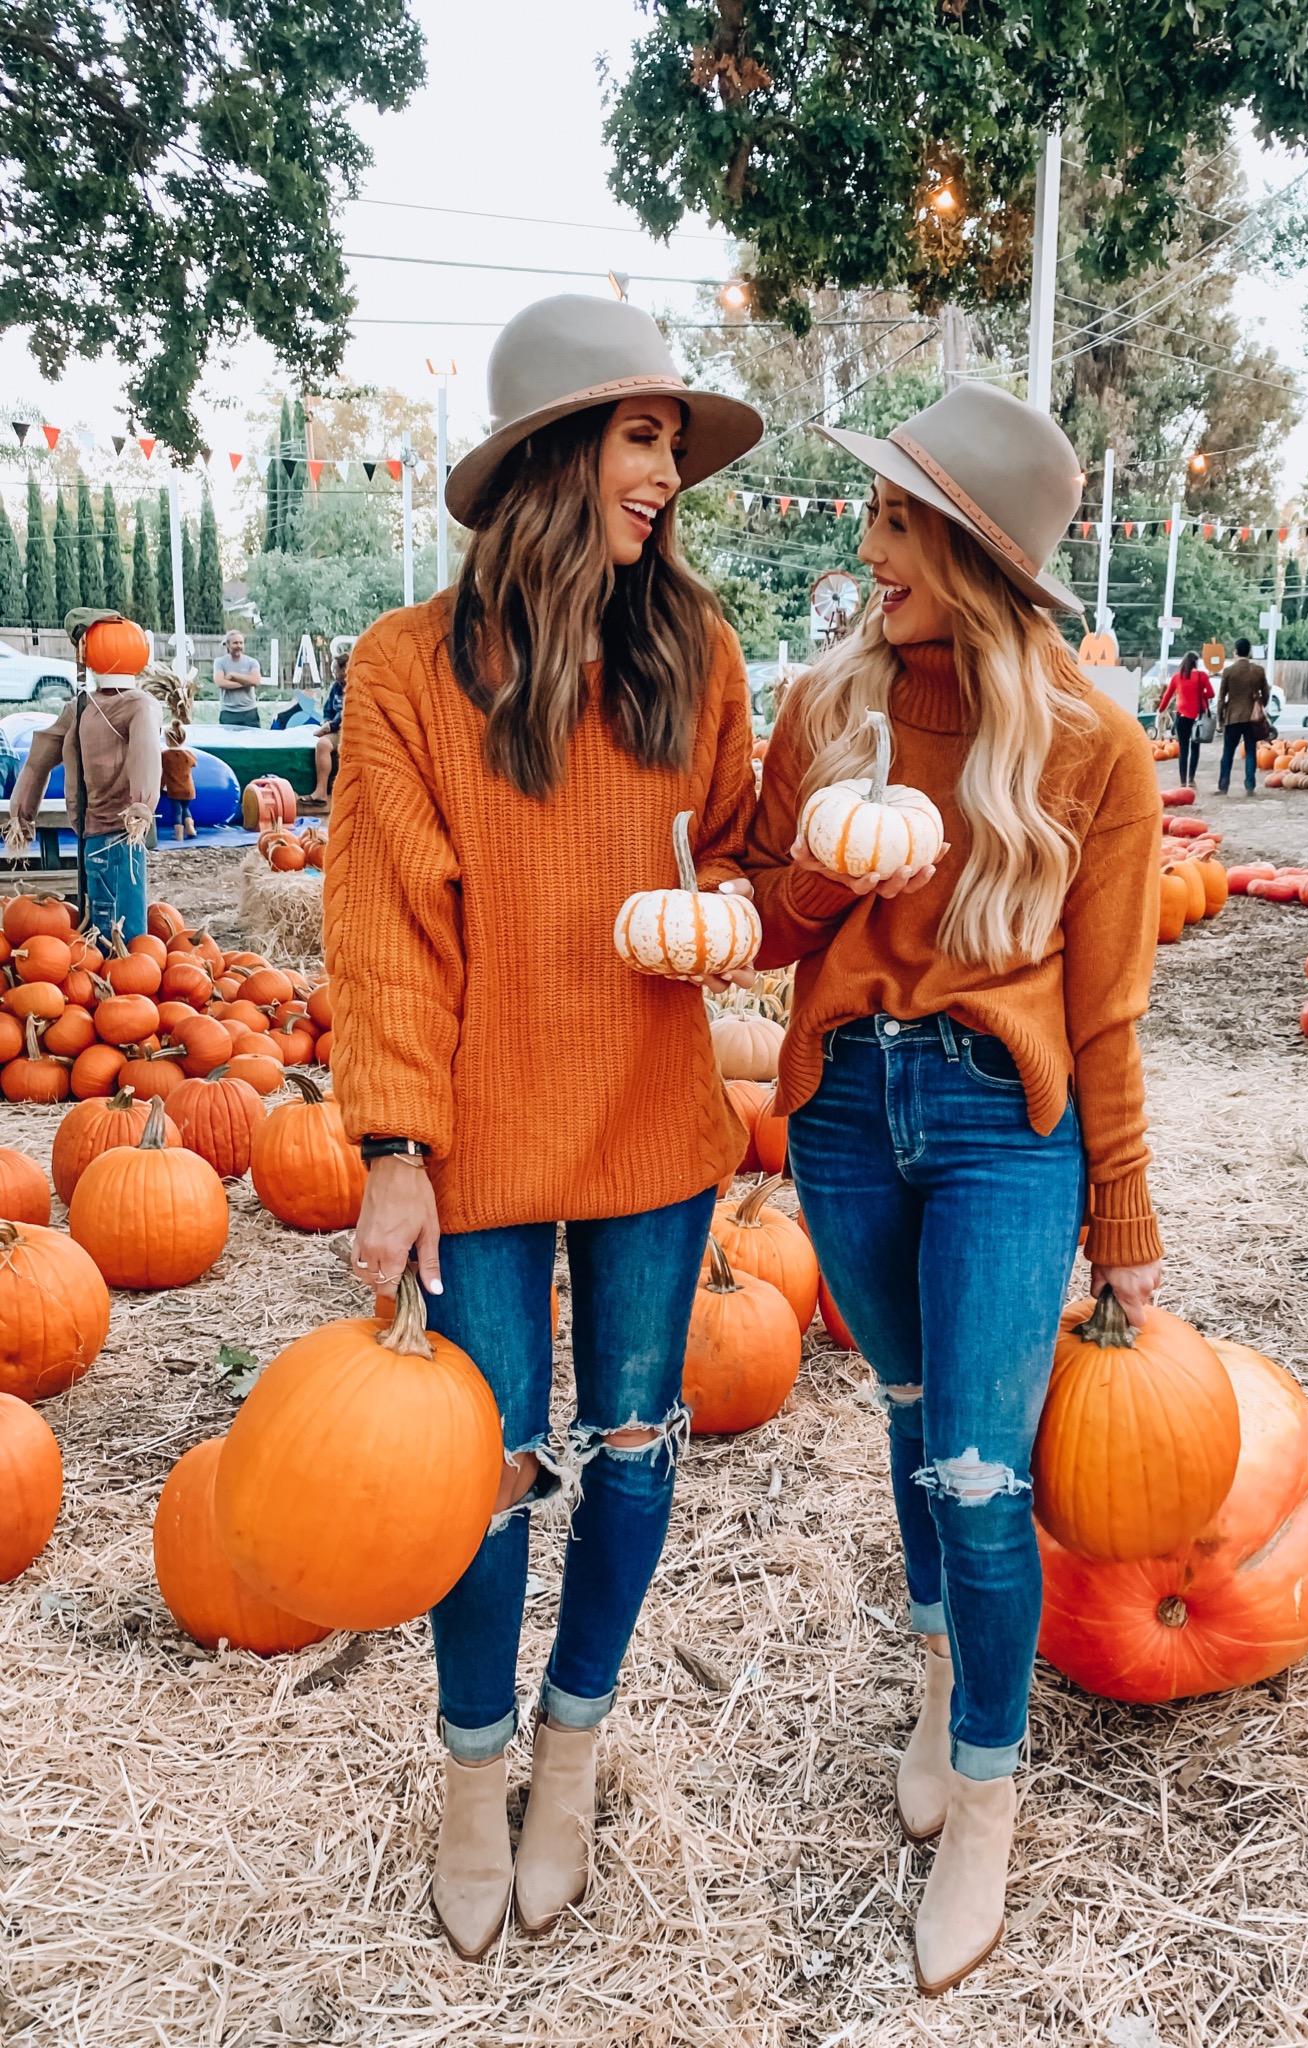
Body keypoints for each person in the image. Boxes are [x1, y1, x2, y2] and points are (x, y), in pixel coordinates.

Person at [324, 293, 762, 1962]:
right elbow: (383, 924)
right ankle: (471, 1768)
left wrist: (734, 897)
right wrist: (388, 1148)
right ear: (553, 454)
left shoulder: (696, 653)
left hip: (651, 1124)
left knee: (635, 1449)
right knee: (489, 1475)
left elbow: (730, 846)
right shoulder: (404, 671)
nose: (665, 471)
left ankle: (569, 1748)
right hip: (484, 1139)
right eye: (641, 436)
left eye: (670, 442)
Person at [744, 382, 1163, 1997]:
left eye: (905, 522)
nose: (871, 546)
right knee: (913, 1423)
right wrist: (814, 881)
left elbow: (1106, 1006)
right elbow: (769, 925)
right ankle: (933, 1681)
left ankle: (983, 1792)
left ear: (979, 553)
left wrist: (1119, 1221)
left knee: (984, 1477)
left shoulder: (1086, 743)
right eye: (875, 514)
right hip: (844, 1109)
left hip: (1002, 1123)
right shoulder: (825, 701)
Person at [9, 657, 161, 943]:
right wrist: (142, 806)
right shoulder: (140, 704)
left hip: (91, 837)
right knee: (121, 936)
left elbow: (37, 760)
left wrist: (21, 814)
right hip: (122, 837)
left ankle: (110, 974)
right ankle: (118, 982)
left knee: (103, 923)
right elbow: (147, 754)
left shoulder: (80, 707)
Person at [1216, 637, 1269, 793]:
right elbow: (1266, 693)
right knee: (1251, 751)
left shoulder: (1228, 671)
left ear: (1235, 652)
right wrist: (1259, 708)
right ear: (1249, 652)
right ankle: (1250, 785)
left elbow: (1221, 698)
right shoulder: (1258, 671)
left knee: (1228, 752)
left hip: (1232, 716)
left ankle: (1224, 785)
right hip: (1252, 718)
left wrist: (1220, 719)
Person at [1158, 649, 1214, 787]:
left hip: (1182, 716)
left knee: (1183, 748)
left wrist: (1161, 709)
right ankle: (1191, 778)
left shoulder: (1177, 677)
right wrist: (1202, 695)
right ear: (1196, 662)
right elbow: (1211, 693)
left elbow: (1168, 695)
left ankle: (1182, 781)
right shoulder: (1202, 676)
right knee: (1195, 747)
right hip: (1198, 717)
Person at [311, 637, 351, 803]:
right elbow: (328, 708)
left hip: (352, 730)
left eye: (336, 669)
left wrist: (330, 726)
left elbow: (346, 711)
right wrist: (326, 722)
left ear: (345, 669)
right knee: (323, 744)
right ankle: (321, 792)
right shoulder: (336, 687)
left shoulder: (357, 685)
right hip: (336, 730)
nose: (334, 672)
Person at [213, 630, 262, 727]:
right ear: (228, 645)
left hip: (250, 712)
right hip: (228, 712)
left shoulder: (252, 662)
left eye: (241, 643)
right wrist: (245, 683)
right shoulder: (220, 662)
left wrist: (233, 675)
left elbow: (256, 681)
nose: (238, 646)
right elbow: (220, 682)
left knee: (253, 741)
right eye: (235, 643)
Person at [161, 717, 197, 840]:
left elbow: (164, 773)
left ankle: (179, 834)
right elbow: (194, 762)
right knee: (186, 808)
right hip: (188, 789)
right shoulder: (188, 755)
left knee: (177, 811)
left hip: (174, 789)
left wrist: (159, 787)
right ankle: (191, 829)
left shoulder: (166, 755)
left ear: (168, 740)